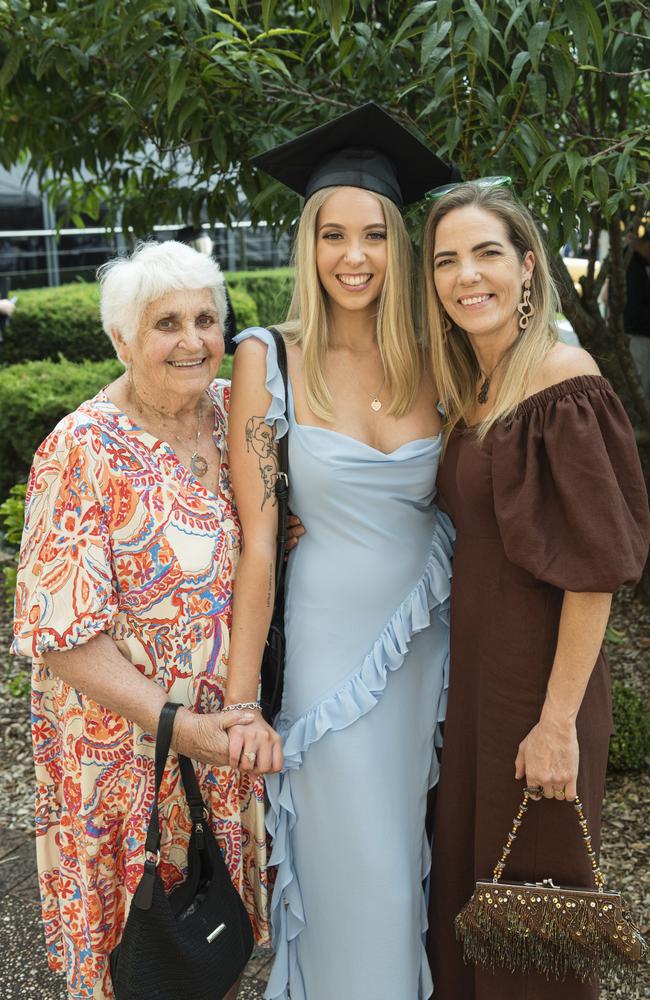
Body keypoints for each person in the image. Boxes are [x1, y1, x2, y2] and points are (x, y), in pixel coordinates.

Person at [224, 103, 458, 1000]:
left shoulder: (436, 354)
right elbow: (258, 539)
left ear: (399, 246)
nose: (353, 256)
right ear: (307, 243)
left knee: (408, 872)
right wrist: (243, 705)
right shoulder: (267, 358)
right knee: (362, 877)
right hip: (326, 653)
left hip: (430, 647)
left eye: (373, 235)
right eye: (333, 234)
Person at [12, 241, 273, 1000]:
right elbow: (61, 639)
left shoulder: (229, 414)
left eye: (205, 319)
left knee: (209, 939)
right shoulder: (81, 449)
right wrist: (175, 724)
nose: (191, 340)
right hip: (124, 756)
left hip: (219, 738)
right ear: (122, 340)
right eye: (166, 323)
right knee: (141, 959)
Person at [420, 181, 650, 1000]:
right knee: (471, 904)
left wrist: (557, 725)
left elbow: (596, 570)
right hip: (473, 689)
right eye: (446, 260)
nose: (465, 275)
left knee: (533, 933)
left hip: (539, 691)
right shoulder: (471, 387)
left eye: (486, 254)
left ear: (527, 267)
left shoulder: (562, 376)